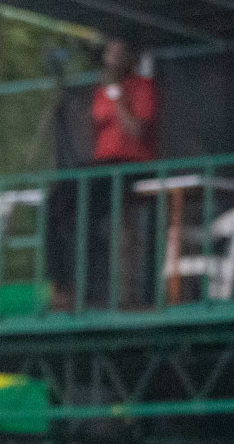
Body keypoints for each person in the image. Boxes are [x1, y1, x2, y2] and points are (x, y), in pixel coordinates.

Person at [45, 37, 159, 310]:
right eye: (109, 52)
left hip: (132, 164)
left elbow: (136, 130)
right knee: (56, 204)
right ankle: (63, 285)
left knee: (87, 207)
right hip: (103, 165)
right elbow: (96, 130)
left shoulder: (143, 88)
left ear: (129, 59)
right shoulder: (100, 91)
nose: (110, 58)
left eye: (117, 52)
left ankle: (95, 289)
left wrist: (119, 97)